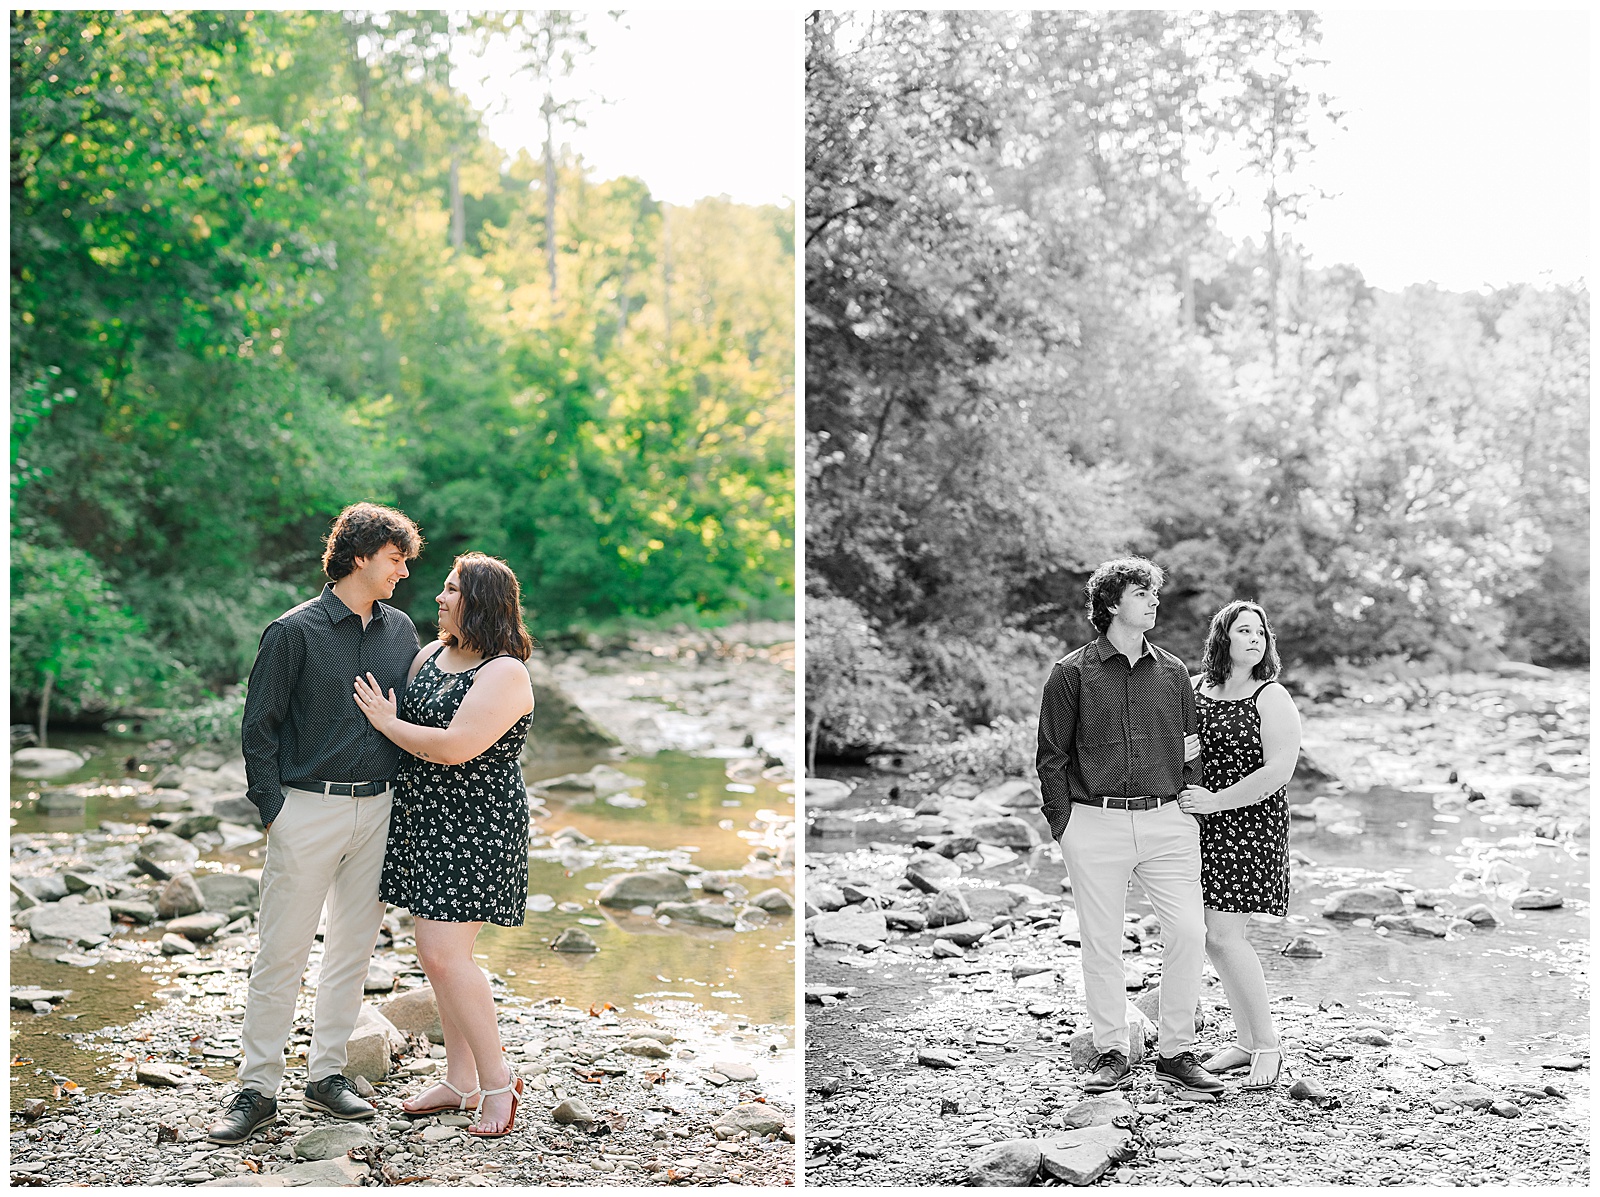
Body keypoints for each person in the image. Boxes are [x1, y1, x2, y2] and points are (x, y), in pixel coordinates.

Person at [210, 502, 424, 1145]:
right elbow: (259, 727)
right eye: (395, 559)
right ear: (360, 556)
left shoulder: (402, 633)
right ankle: (257, 1087)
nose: (403, 573)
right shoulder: (292, 632)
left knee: (353, 950)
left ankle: (327, 1074)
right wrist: (274, 809)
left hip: (381, 808)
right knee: (282, 952)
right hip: (306, 806)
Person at [353, 551, 536, 1138]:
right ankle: (459, 1080)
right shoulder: (431, 654)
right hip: (425, 821)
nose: (439, 596)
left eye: (452, 589)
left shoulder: (505, 672)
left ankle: (499, 1082)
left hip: (478, 828)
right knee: (438, 955)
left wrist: (386, 723)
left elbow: (455, 746)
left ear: (479, 601)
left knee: (444, 954)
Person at [1036, 556, 1222, 1099]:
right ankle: (1113, 1047)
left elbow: (1191, 746)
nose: (1154, 602)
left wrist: (1189, 796)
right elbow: (1052, 754)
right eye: (1143, 594)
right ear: (1113, 603)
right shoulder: (1072, 672)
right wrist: (1062, 823)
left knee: (1189, 932)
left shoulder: (1174, 673)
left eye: (1155, 594)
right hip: (1094, 822)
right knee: (1101, 941)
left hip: (1169, 821)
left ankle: (1176, 1052)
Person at [1176, 600, 1301, 1090]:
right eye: (1244, 630)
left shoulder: (1271, 697)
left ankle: (1267, 1045)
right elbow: (1177, 744)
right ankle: (1246, 1041)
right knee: (1211, 937)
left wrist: (1216, 802)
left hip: (1248, 824)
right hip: (1201, 824)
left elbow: (1278, 772)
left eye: (1261, 632)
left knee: (1226, 936)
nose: (1255, 639)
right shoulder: (1197, 688)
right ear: (1222, 638)